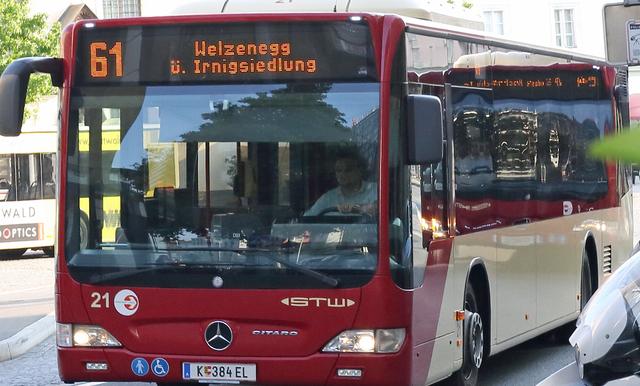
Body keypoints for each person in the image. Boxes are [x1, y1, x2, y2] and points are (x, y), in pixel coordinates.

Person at [305, 152, 377, 216]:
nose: (342, 174)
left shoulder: (375, 190)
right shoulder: (328, 198)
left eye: (348, 170)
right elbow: (308, 219)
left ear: (360, 171)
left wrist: (364, 208)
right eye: (339, 170)